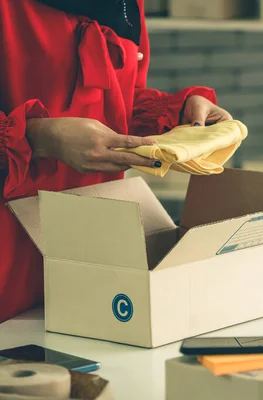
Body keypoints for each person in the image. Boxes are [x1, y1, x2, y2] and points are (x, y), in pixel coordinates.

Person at [0, 0, 233, 323]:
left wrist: (179, 115)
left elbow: (120, 101)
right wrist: (41, 137)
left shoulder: (126, 5)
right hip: (8, 254)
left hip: (87, 247)